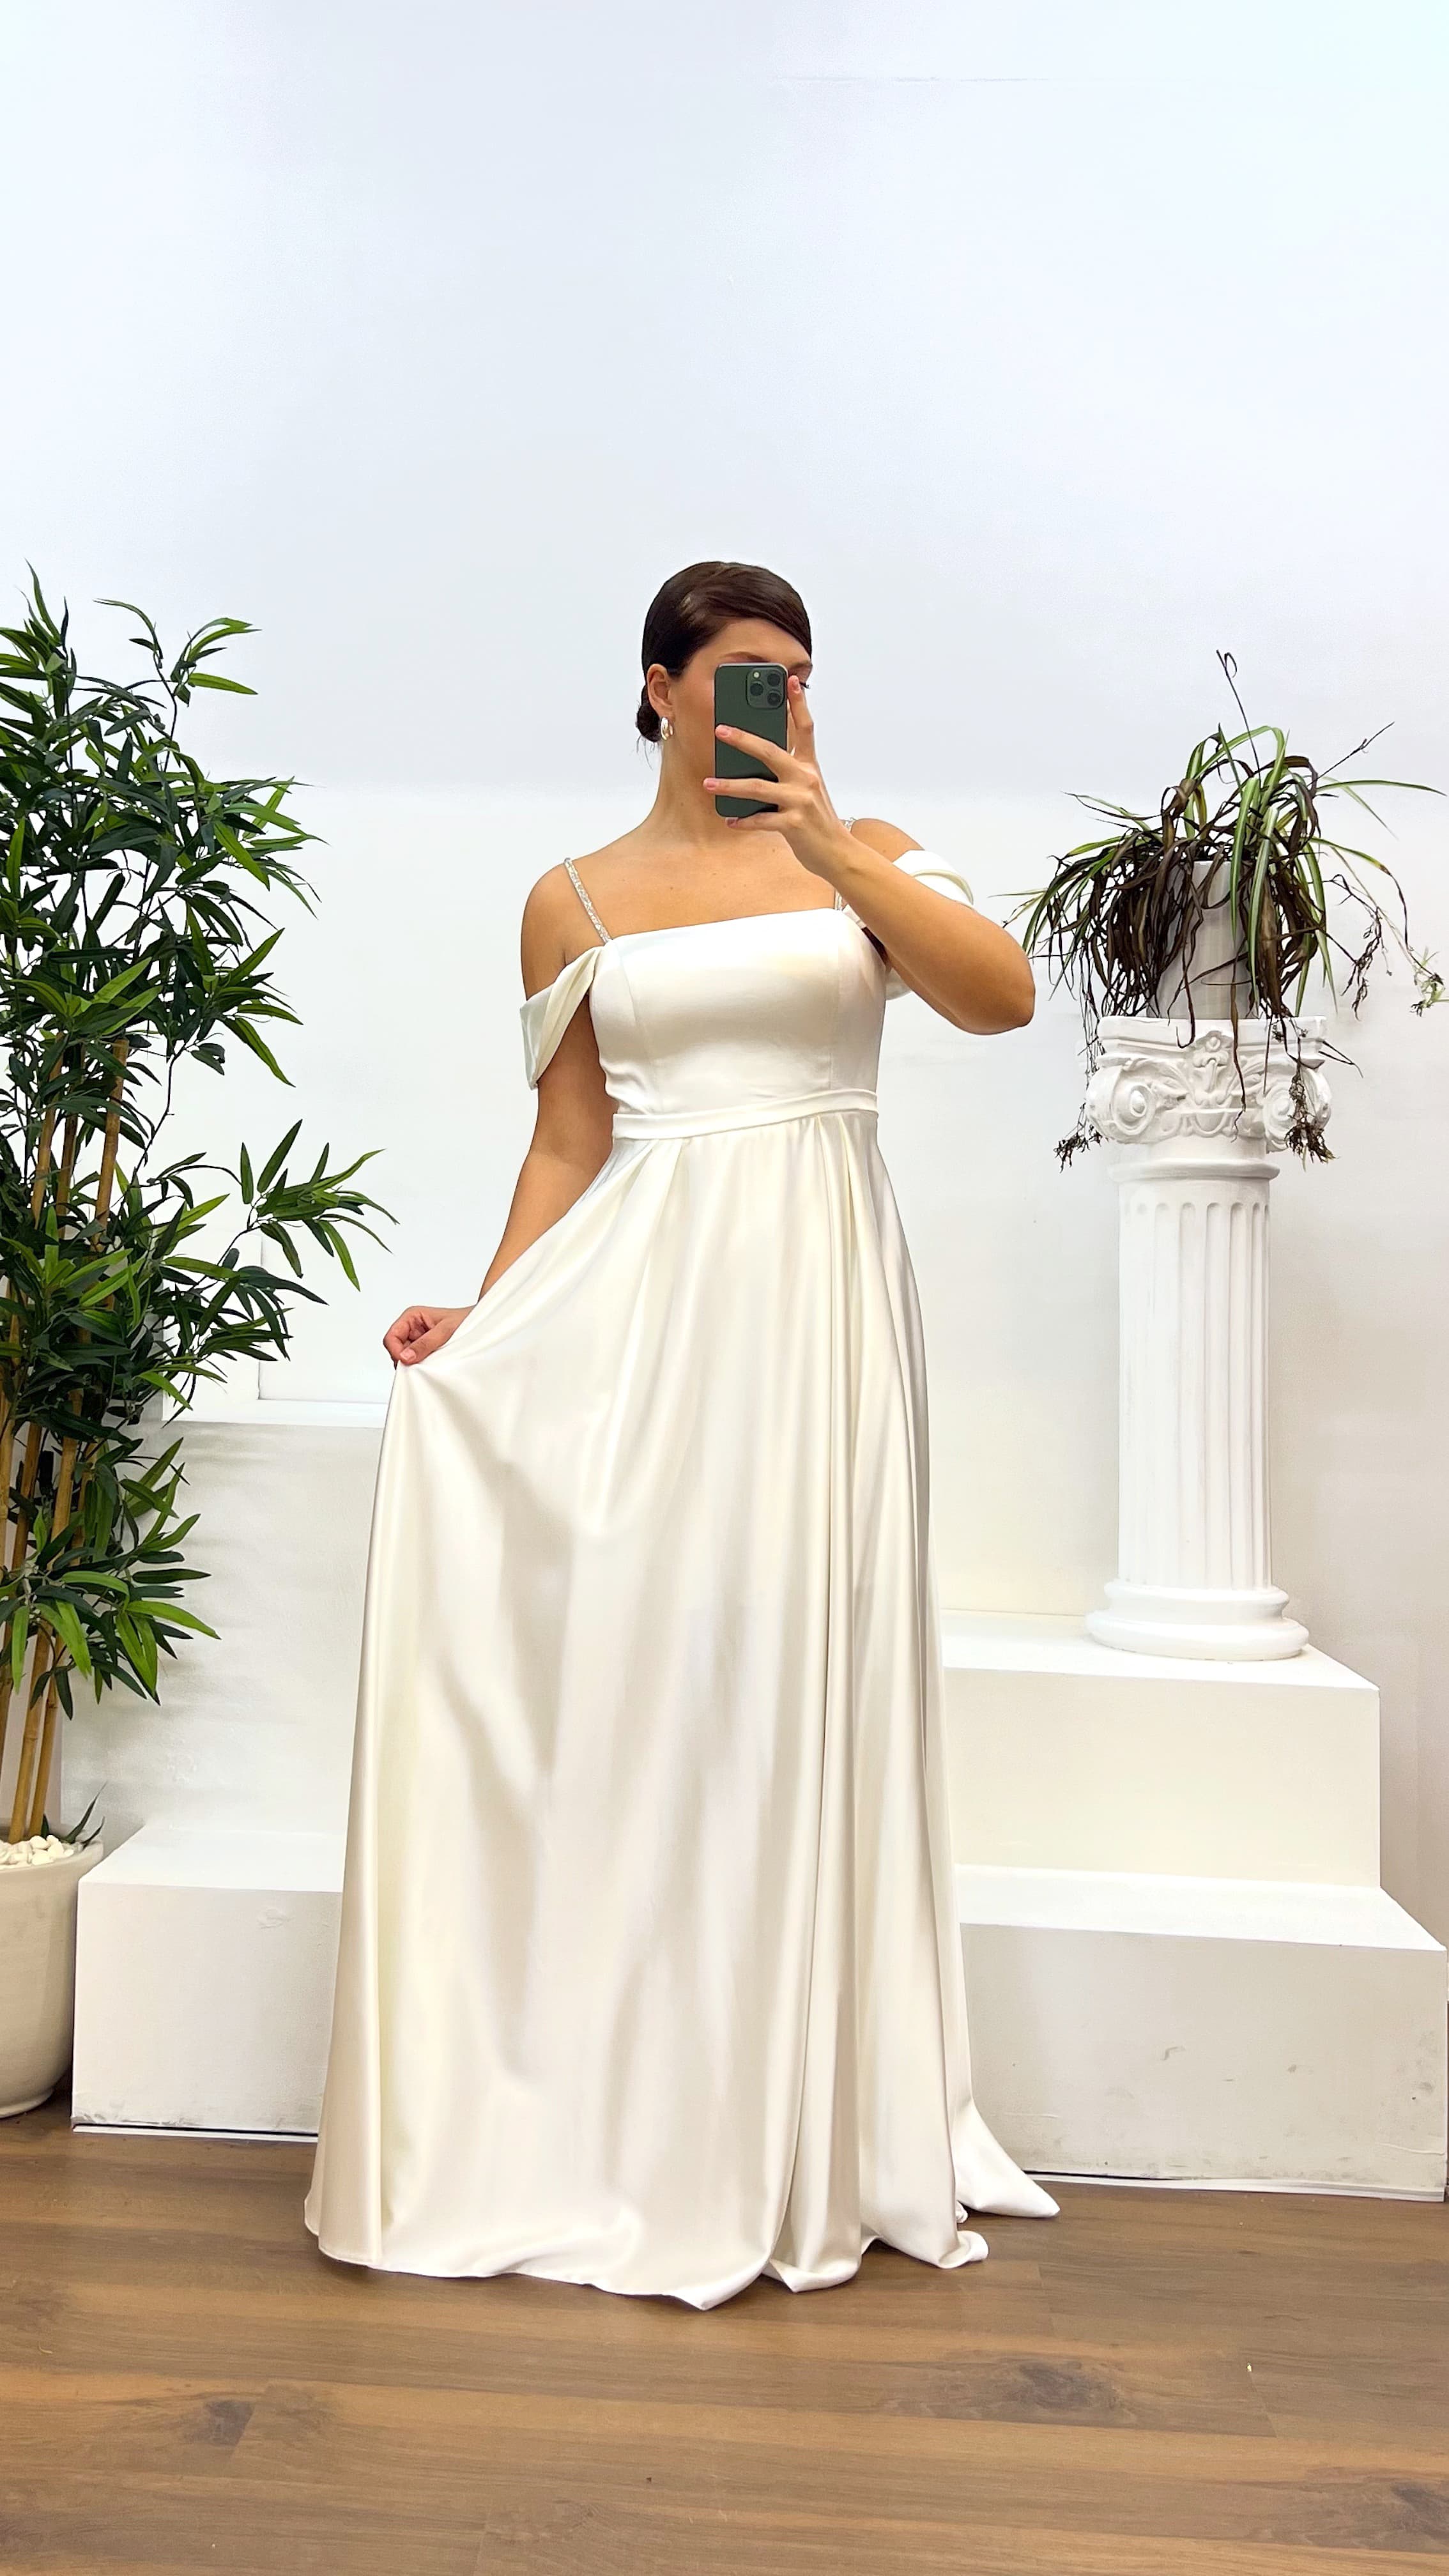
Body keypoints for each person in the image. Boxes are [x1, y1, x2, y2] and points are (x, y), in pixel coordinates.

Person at [303, 559, 1059, 2307]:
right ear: (657, 687)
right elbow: (570, 1141)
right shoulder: (570, 898)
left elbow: (1000, 998)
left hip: (818, 1306)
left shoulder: (866, 850)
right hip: (638, 1313)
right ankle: (623, 2098)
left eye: (796, 675)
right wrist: (490, 1315)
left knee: (794, 1665)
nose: (774, 702)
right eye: (740, 674)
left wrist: (832, 850)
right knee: (652, 1685)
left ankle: (789, 2111)